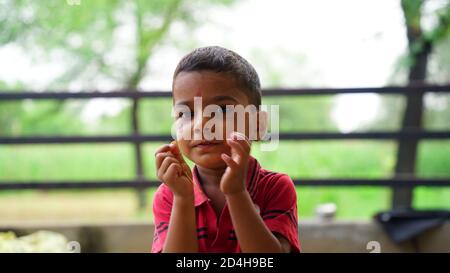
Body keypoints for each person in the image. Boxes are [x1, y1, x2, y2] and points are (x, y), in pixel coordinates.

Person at [152, 46, 300, 253]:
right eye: (186, 113)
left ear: (258, 124)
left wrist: (236, 193)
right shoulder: (170, 195)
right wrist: (183, 199)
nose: (201, 125)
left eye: (222, 110)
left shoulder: (274, 188)